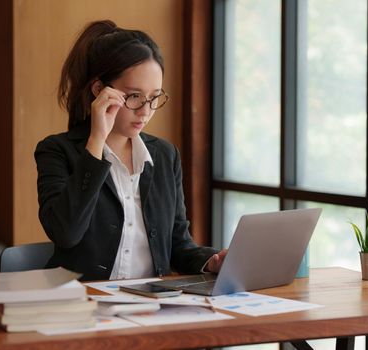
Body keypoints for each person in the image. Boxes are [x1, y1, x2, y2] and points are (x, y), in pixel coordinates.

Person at [34, 20, 227, 281]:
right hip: (80, 306)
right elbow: (66, 232)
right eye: (134, 96)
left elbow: (178, 246)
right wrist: (97, 139)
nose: (146, 111)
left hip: (150, 306)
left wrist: (211, 262)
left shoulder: (165, 155)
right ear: (100, 91)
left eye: (154, 97)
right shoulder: (57, 151)